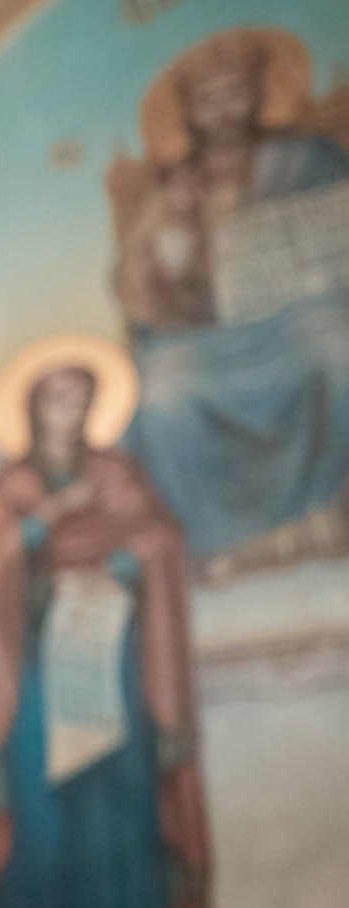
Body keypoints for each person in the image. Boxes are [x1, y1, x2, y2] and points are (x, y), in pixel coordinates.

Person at [0, 354, 208, 908]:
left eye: (80, 398)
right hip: (38, 680)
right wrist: (40, 525)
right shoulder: (8, 492)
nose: (69, 413)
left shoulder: (117, 476)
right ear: (32, 407)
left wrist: (122, 561)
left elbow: (161, 541)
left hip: (114, 670)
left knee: (118, 803)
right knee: (45, 808)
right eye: (56, 399)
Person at [111, 29, 349, 575]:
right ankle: (218, 538)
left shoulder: (307, 157)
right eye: (208, 96)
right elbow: (137, 285)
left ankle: (323, 512)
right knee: (163, 392)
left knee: (337, 345)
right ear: (189, 112)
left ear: (259, 91)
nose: (224, 108)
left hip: (298, 317)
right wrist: (168, 235)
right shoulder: (172, 186)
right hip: (208, 334)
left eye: (236, 90)